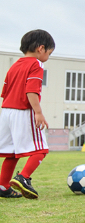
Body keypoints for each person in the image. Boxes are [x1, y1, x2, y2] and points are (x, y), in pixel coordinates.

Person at [0, 30, 55, 199]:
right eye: (49, 53)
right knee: (41, 148)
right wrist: (38, 112)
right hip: (23, 111)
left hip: (6, 111)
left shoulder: (15, 65)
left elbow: (5, 92)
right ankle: (23, 177)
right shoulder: (36, 64)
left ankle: (2, 186)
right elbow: (31, 90)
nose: (48, 56)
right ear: (41, 48)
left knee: (11, 152)